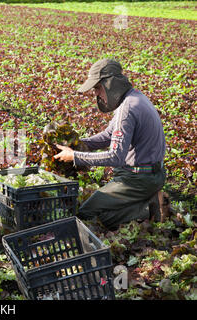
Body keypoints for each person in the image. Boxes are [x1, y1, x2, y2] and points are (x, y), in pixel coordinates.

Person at [54, 58, 168, 230]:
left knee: (87, 214)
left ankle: (149, 209)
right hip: (151, 174)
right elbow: (108, 135)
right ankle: (147, 200)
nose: (96, 94)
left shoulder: (127, 110)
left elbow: (115, 156)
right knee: (100, 206)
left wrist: (75, 156)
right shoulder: (134, 98)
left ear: (111, 84)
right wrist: (78, 144)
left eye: (98, 88)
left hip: (138, 179)